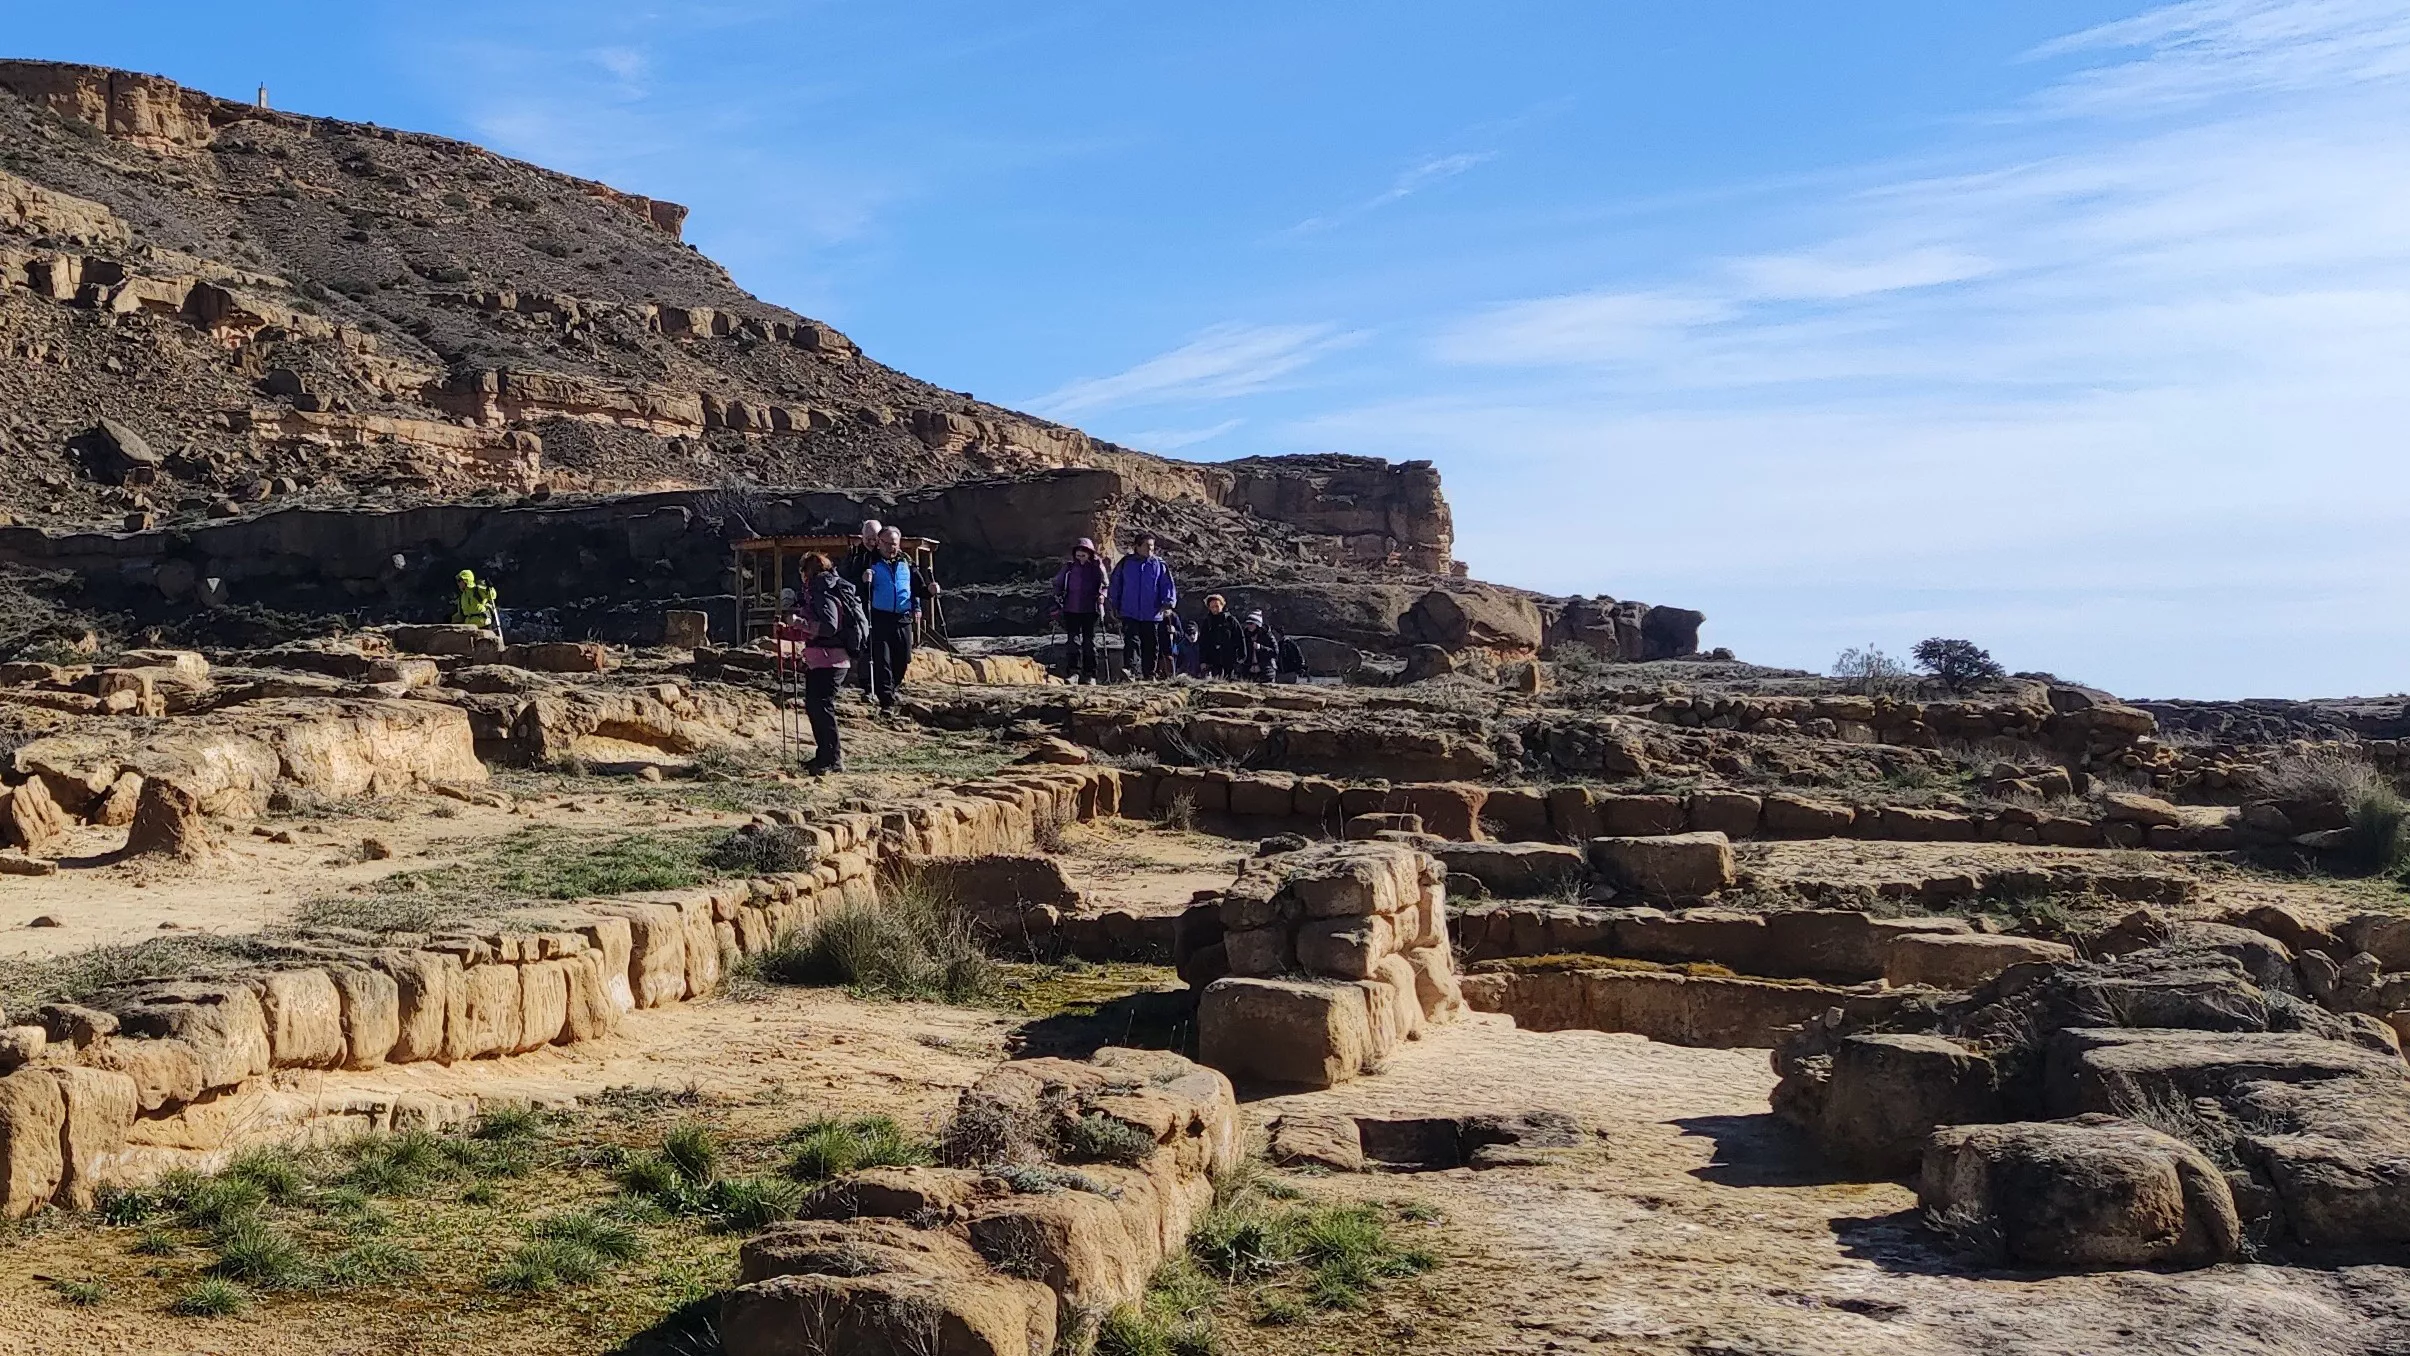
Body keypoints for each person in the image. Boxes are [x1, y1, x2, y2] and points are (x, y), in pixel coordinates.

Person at [795, 553, 859, 773]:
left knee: (821, 707)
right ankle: (824, 757)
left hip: (829, 659)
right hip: (827, 658)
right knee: (817, 706)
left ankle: (832, 759)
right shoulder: (826, 588)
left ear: (807, 571)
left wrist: (799, 623)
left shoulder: (820, 590)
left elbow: (829, 626)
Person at [863, 526, 931, 716]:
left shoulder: (906, 562)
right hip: (880, 617)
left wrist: (929, 592)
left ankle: (892, 689)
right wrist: (863, 579)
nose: (891, 547)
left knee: (902, 659)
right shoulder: (870, 561)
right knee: (882, 660)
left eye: (895, 544)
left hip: (902, 618)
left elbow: (917, 587)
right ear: (879, 542)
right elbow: (856, 585)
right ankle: (886, 700)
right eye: (888, 543)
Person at [1106, 532, 1176, 682]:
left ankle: (1149, 674)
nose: (1150, 549)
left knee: (1151, 643)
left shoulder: (1159, 564)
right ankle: (1131, 671)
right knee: (1132, 641)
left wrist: (1168, 603)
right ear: (1137, 546)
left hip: (1152, 612)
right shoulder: (1125, 564)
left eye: (1152, 546)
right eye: (1147, 545)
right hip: (1129, 610)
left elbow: (1166, 585)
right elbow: (1116, 584)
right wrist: (1113, 604)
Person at [1051, 538, 1107, 684]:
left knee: (1089, 643)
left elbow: (1105, 585)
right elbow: (1058, 583)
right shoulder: (1069, 568)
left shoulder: (1096, 567)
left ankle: (1090, 674)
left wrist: (1102, 595)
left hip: (1090, 609)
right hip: (1071, 609)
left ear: (1090, 553)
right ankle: (1074, 672)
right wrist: (1057, 597)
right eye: (1078, 554)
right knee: (1073, 642)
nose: (1081, 557)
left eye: (1084, 554)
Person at [840, 520, 882, 692]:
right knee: (865, 645)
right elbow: (844, 581)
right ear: (862, 536)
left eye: (875, 538)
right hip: (861, 607)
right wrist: (861, 581)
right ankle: (866, 684)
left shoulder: (887, 554)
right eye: (868, 538)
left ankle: (884, 683)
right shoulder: (855, 556)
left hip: (884, 608)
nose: (872, 542)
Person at [1195, 594, 1244, 678]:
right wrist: (1203, 661)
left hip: (1229, 658)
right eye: (1212, 607)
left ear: (1222, 605)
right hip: (1213, 659)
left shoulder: (1230, 620)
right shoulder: (1207, 622)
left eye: (1217, 606)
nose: (1215, 609)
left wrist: (1241, 657)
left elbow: (1240, 638)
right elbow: (1203, 642)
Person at [451, 569, 501, 642]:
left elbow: (491, 596)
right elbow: (461, 614)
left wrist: (490, 588)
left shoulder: (477, 590)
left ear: (466, 580)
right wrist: (451, 619)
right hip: (469, 626)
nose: (458, 584)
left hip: (483, 624)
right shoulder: (462, 597)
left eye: (459, 581)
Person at [1239, 611, 1279, 683]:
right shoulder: (1245, 636)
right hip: (1248, 673)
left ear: (1257, 624)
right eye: (1247, 623)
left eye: (1251, 623)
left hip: (1266, 674)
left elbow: (1275, 652)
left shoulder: (1267, 635)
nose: (1248, 626)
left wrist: (1261, 647)